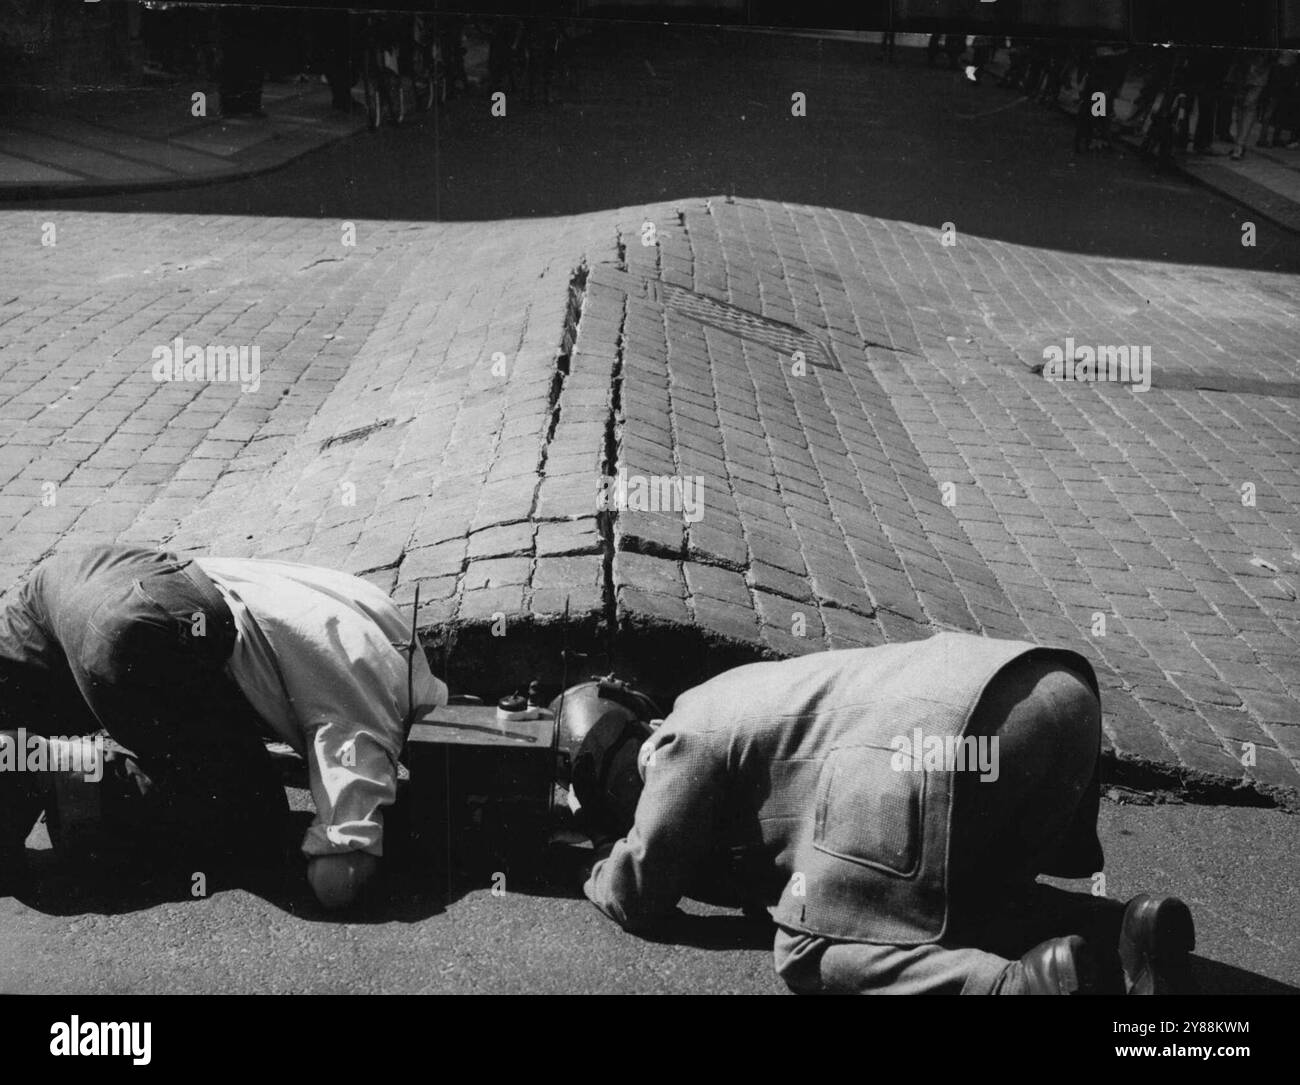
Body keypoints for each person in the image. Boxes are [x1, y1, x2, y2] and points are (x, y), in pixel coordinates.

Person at [578, 633, 1196, 995]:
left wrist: (602, 868)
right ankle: (1127, 931)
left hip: (932, 742)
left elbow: (640, 892)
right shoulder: (746, 688)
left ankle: (1020, 988)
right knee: (957, 895)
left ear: (643, 755)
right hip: (1054, 691)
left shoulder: (680, 736)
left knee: (810, 948)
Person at [0, 545, 448, 908]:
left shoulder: (379, 609)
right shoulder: (369, 722)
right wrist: (367, 823)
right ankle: (60, 769)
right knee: (250, 825)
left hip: (82, 577)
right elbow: (336, 881)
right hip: (138, 636)